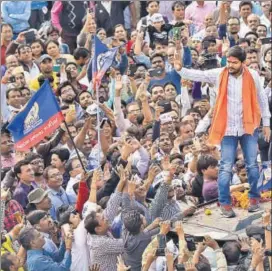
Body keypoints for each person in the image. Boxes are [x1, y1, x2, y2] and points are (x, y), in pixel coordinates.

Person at [174, 45, 271, 217]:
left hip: (248, 127)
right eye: (228, 62)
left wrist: (266, 123)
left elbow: (262, 100)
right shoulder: (220, 74)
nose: (230, 65)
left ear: (243, 62)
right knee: (225, 167)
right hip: (227, 129)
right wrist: (181, 69)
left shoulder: (253, 75)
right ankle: (225, 204)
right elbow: (200, 75)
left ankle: (254, 199)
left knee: (253, 166)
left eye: (234, 63)